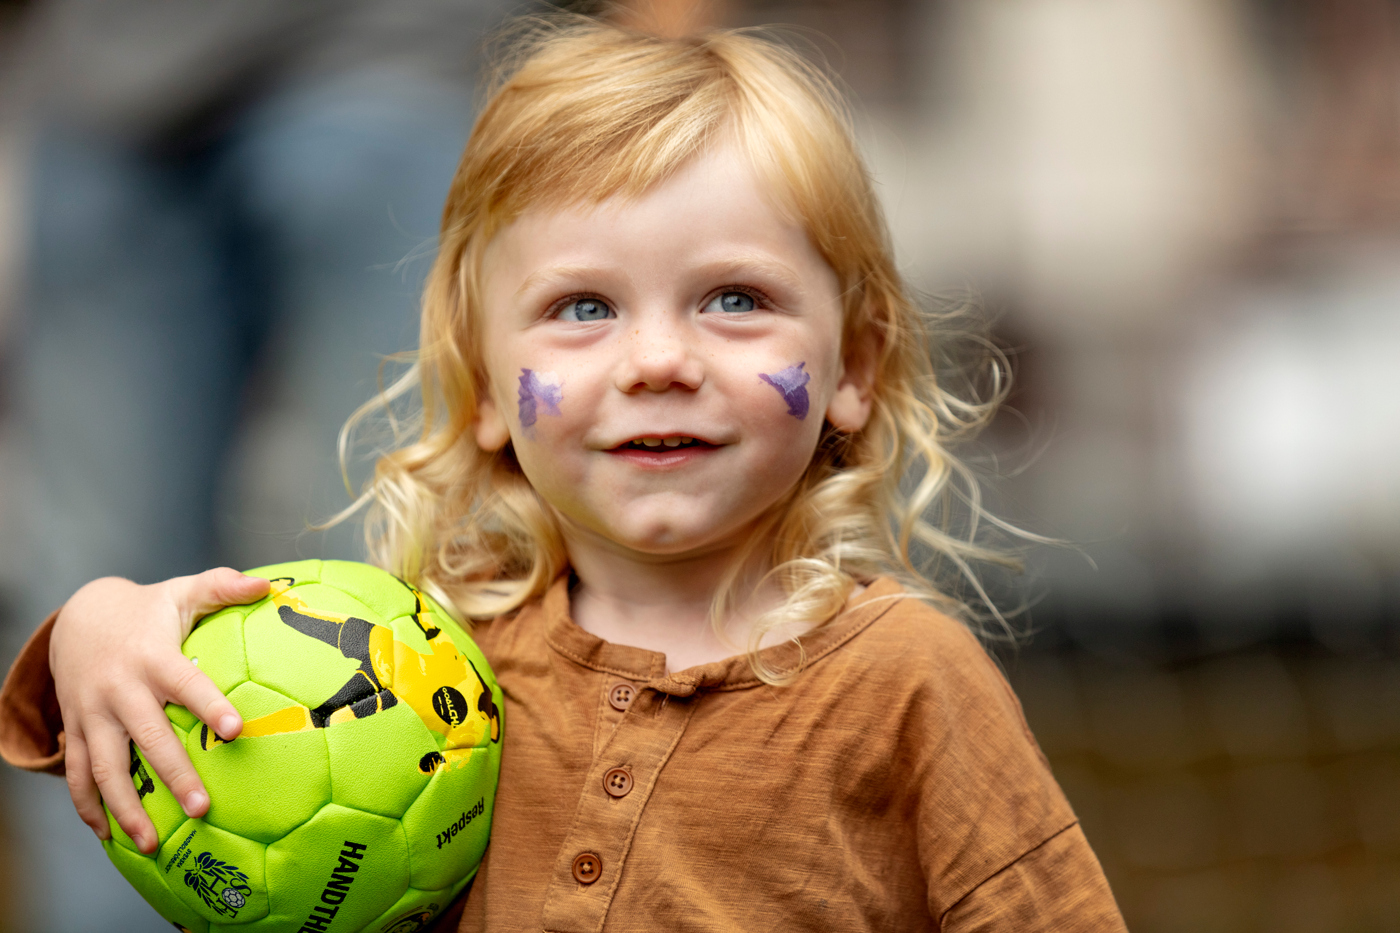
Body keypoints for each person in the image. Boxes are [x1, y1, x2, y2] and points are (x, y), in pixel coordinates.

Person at [0, 18, 1127, 931]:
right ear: (483, 388)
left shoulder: (904, 682)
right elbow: (127, 738)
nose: (657, 361)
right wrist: (98, 626)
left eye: (734, 299)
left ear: (855, 368)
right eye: (582, 309)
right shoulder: (427, 670)